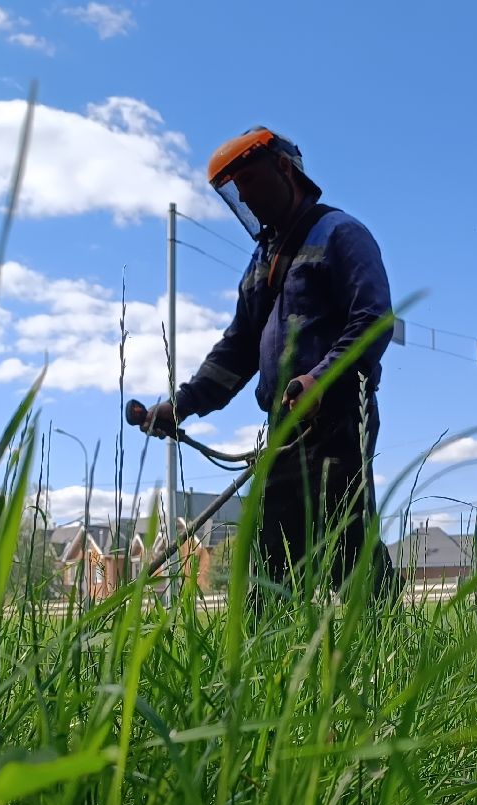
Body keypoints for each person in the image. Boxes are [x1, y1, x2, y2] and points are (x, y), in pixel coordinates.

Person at [140, 126, 400, 603]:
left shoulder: (342, 234)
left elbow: (373, 319)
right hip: (284, 424)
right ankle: (268, 659)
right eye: (236, 190)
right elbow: (238, 348)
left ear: (284, 170)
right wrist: (181, 404)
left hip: (339, 414)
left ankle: (379, 642)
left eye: (251, 183)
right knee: (271, 555)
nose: (245, 197)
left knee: (344, 536)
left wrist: (320, 379)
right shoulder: (264, 261)